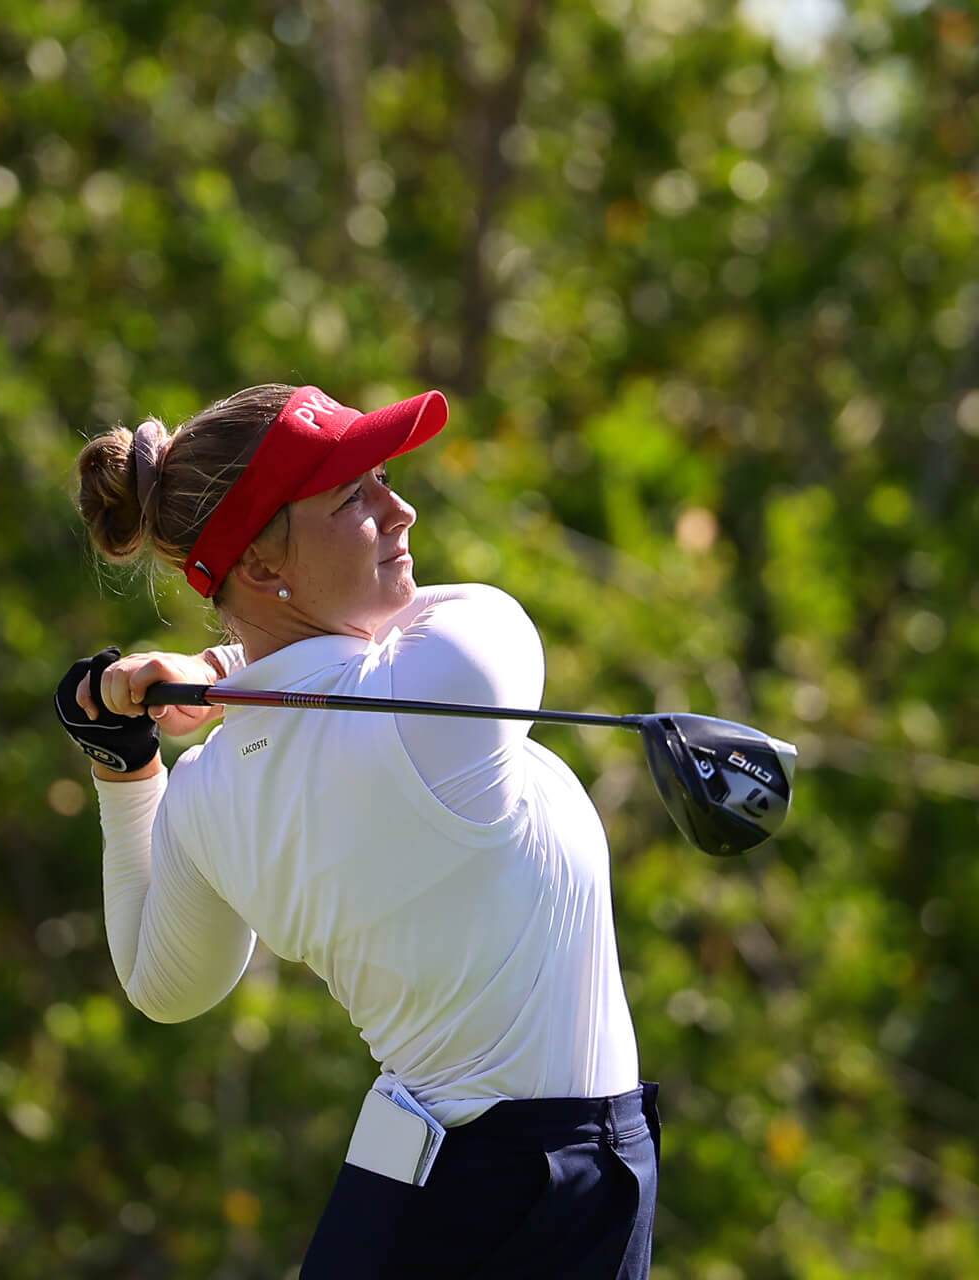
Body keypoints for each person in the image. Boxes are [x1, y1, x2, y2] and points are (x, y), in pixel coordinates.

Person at [51, 383, 659, 1278]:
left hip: (414, 1196)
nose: (401, 509)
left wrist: (124, 764)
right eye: (353, 498)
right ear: (261, 568)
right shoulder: (447, 682)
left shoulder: (206, 796)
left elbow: (160, 982)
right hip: (529, 1191)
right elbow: (470, 617)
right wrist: (223, 671)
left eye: (380, 478)